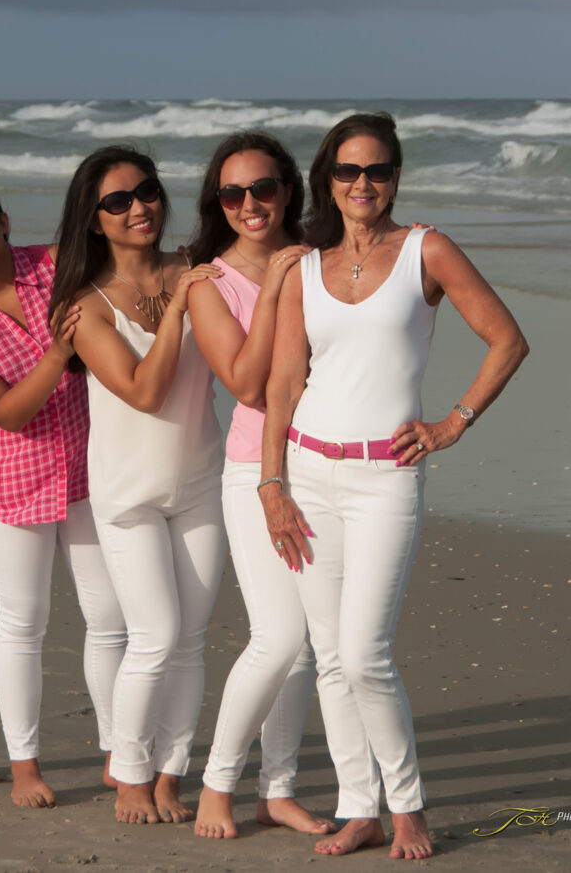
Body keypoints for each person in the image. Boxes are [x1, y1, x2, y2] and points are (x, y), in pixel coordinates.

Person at [259, 113, 529, 859]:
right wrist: (270, 480)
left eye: (376, 171)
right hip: (307, 474)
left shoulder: (426, 250)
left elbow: (507, 339)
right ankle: (360, 805)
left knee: (365, 650)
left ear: (396, 177)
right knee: (331, 654)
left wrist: (453, 422)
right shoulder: (303, 267)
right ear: (329, 179)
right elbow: (284, 382)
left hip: (386, 477)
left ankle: (407, 804)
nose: (362, 184)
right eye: (348, 171)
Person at [0, 174, 127, 809]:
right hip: (13, 484)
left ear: (2, 220)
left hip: (91, 467)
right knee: (24, 625)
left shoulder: (58, 267)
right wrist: (61, 351)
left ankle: (120, 751)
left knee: (110, 617)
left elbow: (126, 257)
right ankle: (27, 765)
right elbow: (6, 411)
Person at [49, 146, 226, 824]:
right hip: (126, 494)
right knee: (153, 633)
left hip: (201, 480)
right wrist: (181, 304)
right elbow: (147, 392)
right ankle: (128, 772)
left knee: (191, 637)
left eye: (146, 190)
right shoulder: (84, 305)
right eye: (117, 201)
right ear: (94, 221)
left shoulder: (195, 269)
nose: (138, 207)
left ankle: (171, 774)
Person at [186, 132, 332, 839]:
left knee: (307, 646)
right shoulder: (209, 281)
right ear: (219, 202)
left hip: (327, 462)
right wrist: (274, 284)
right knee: (278, 635)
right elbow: (244, 382)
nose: (250, 203)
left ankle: (277, 788)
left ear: (287, 189)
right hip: (253, 468)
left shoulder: (321, 254)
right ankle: (218, 783)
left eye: (263, 188)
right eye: (233, 192)